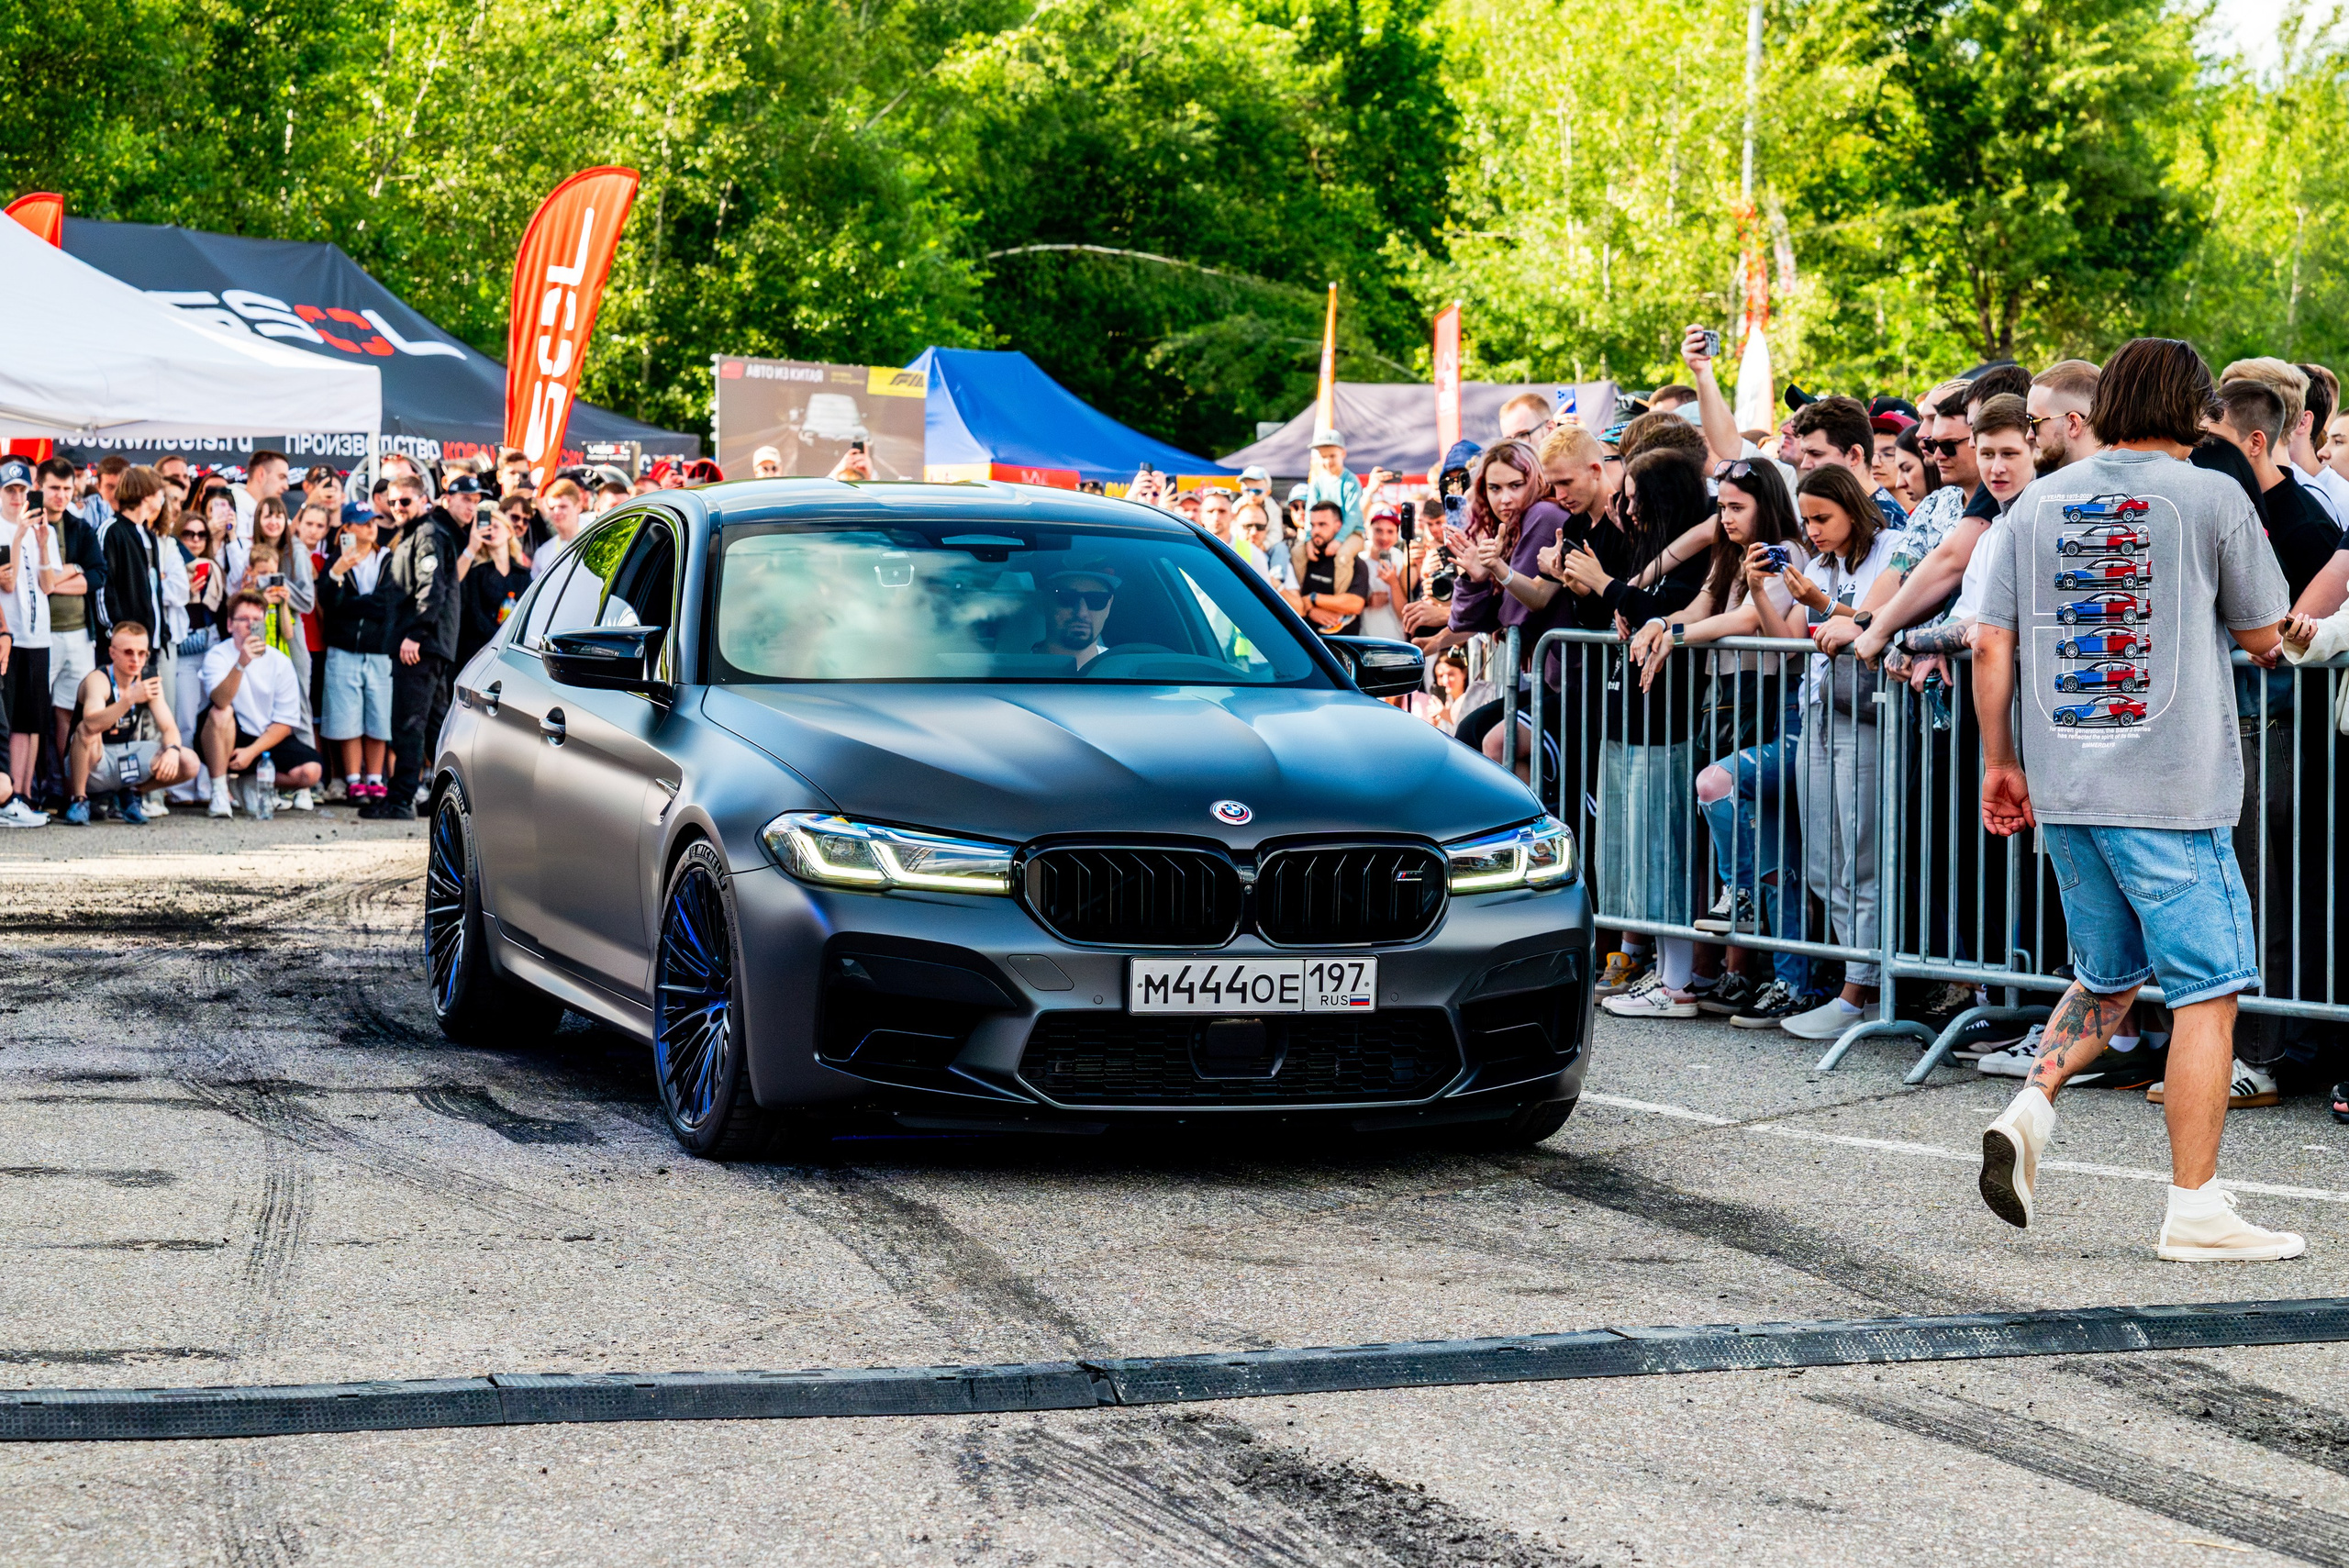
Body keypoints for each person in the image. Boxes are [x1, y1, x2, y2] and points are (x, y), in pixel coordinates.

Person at [1972, 337, 2303, 1262]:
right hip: (2170, 787)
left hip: (2068, 784)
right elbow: (2262, 632)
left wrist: (2001, 761)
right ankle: (2194, 1207)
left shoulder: (2033, 501)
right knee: (2208, 992)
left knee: (2108, 976)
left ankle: (2028, 1105)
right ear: (2198, 409)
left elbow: (1987, 645)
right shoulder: (2210, 494)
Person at [1626, 457, 1812, 1027]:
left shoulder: (1786, 553)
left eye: (1737, 507)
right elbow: (1705, 607)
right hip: (1725, 701)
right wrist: (1662, 622)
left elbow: (1752, 625)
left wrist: (1672, 632)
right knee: (1756, 833)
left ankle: (1790, 972)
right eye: (1722, 507)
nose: (1726, 518)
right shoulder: (1729, 554)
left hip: (1770, 704)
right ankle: (1773, 968)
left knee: (1778, 848)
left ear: (1765, 505)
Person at [1775, 464, 1903, 1040]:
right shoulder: (1816, 564)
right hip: (1820, 712)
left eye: (1823, 517)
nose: (1814, 530)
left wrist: (1822, 602)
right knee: (1826, 861)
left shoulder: (1892, 549)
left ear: (1853, 507)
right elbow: (1791, 641)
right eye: (1807, 520)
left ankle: (1862, 991)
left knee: (1863, 856)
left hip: (1869, 716)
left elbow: (1880, 623)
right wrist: (1766, 587)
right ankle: (1857, 984)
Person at [198, 590, 325, 817]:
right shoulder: (217, 655)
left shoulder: (280, 662)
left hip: (265, 738)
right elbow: (220, 700)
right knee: (221, 713)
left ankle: (250, 781)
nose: (250, 625)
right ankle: (219, 790)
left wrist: (251, 752)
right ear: (230, 625)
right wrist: (241, 663)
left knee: (311, 772)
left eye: (257, 620)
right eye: (244, 619)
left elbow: (285, 723)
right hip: (227, 735)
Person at [63, 620, 195, 825]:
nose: (136, 659)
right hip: (94, 762)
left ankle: (131, 794)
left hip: (126, 756)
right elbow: (90, 724)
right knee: (86, 731)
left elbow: (169, 728)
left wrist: (172, 750)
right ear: (113, 653)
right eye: (128, 652)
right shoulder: (98, 679)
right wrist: (128, 700)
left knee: (189, 761)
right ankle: (80, 800)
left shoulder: (149, 678)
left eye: (142, 653)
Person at [318, 510, 399, 804]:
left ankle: (375, 778)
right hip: (344, 648)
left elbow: (388, 603)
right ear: (347, 528)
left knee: (378, 716)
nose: (371, 527)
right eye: (363, 523)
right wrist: (337, 571)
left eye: (373, 522)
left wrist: (351, 604)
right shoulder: (336, 559)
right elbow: (329, 602)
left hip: (379, 650)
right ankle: (354, 780)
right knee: (347, 717)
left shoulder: (388, 558)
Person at [36, 458, 106, 775]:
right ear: (39, 487)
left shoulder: (80, 527)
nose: (60, 495)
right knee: (35, 714)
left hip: (79, 633)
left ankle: (69, 784)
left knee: (69, 712)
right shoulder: (26, 526)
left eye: (66, 488)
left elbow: (98, 575)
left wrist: (55, 580)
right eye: (53, 488)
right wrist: (72, 571)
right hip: (39, 633)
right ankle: (34, 786)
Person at [1788, 395, 1908, 528]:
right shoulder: (1842, 511)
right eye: (1805, 453)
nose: (1805, 464)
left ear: (1854, 455)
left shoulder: (1889, 525)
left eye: (1816, 454)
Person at [456, 502, 532, 666]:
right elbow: (474, 613)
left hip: (512, 651)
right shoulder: (476, 572)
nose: (491, 531)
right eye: (487, 528)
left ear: (509, 532)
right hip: (479, 650)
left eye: (496, 526)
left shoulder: (523, 574)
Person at [1288, 502, 1369, 634]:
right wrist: (1310, 610)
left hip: (1341, 648)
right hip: (1303, 642)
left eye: (1322, 524)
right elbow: (1288, 595)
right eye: (1312, 525)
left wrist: (1312, 599)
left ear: (1339, 526)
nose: (1316, 531)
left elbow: (1355, 603)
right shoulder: (1304, 557)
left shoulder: (1352, 561)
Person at [2028, 360, 2101, 477]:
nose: (2029, 435)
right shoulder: (2133, 486)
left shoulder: (2038, 492)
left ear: (2073, 424)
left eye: (2034, 422)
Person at [1032, 567, 1117, 669]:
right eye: (1067, 597)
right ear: (1041, 602)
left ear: (1109, 605)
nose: (1081, 613)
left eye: (1096, 599)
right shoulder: (1016, 670)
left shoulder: (1123, 669)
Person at [1357, 509, 1409, 642]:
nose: (1384, 537)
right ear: (1369, 532)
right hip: (1366, 640)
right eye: (1378, 530)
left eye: (1390, 531)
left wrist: (1393, 584)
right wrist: (1367, 602)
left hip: (1396, 640)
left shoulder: (1400, 558)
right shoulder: (1358, 560)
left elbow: (1404, 614)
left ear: (1397, 535)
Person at [530, 477, 588, 581]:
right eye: (552, 508)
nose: (556, 512)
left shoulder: (596, 537)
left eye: (563, 507)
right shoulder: (543, 553)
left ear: (578, 506)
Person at [232, 450, 291, 540]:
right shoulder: (230, 509)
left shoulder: (277, 511)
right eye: (281, 477)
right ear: (261, 474)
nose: (286, 487)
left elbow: (290, 541)